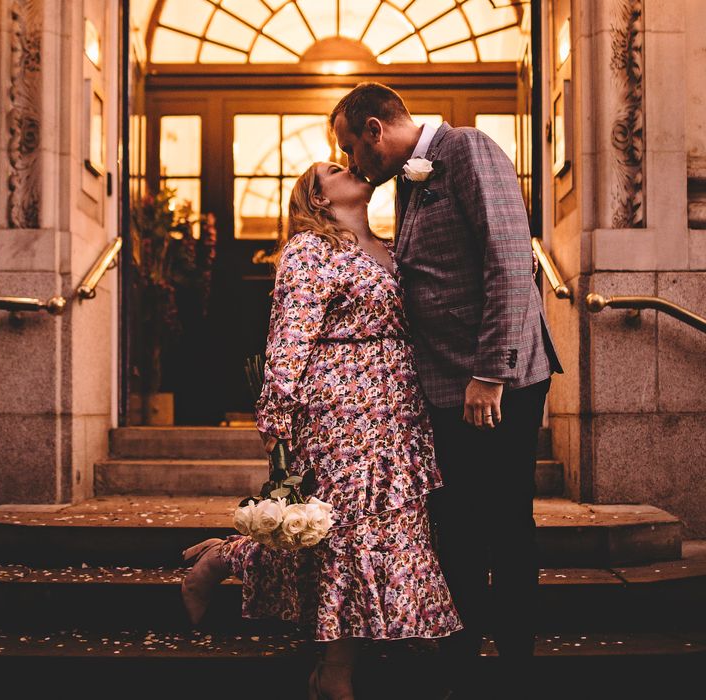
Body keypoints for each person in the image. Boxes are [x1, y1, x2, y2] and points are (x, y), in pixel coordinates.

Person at [181, 160, 462, 700]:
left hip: (399, 409)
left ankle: (223, 558)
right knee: (344, 532)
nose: (350, 167)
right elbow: (290, 332)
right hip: (339, 406)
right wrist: (278, 412)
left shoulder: (391, 244)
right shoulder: (311, 249)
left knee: (385, 533)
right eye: (334, 168)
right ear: (318, 197)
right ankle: (334, 669)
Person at [330, 83, 563, 697]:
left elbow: (510, 262)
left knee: (506, 520)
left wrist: (491, 372)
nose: (352, 163)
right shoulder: (410, 182)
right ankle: (460, 658)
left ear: (376, 129)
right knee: (456, 524)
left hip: (495, 383)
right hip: (446, 386)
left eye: (350, 147)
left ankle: (516, 663)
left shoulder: (467, 149)